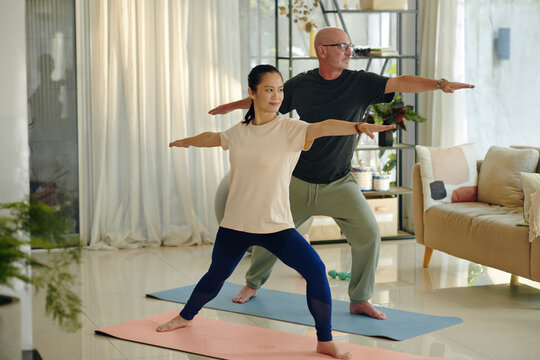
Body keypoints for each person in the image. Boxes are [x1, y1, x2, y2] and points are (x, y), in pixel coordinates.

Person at [209, 27, 475, 320]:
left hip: (340, 182)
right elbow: (265, 102)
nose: (350, 51)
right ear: (322, 51)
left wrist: (440, 83)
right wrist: (232, 106)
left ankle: (360, 299)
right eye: (342, 46)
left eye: (350, 46)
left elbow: (401, 82)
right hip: (299, 179)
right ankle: (252, 284)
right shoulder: (302, 84)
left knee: (370, 234)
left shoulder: (361, 83)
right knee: (271, 232)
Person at [157, 64, 395, 359]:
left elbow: (325, 126)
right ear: (252, 93)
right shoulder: (240, 131)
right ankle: (184, 317)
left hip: (276, 226)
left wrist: (358, 127)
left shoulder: (291, 129)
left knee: (316, 271)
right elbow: (213, 137)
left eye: (280, 90)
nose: (276, 96)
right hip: (236, 224)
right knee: (215, 277)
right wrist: (186, 142)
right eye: (269, 89)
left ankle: (324, 340)